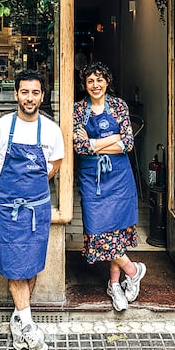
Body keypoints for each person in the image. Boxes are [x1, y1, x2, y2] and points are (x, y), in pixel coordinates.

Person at [0, 69, 64, 350]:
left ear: (42, 96)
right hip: (9, 210)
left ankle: (18, 322)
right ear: (16, 94)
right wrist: (6, 190)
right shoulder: (3, 127)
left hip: (37, 210)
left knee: (30, 267)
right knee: (16, 266)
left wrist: (33, 192)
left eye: (35, 92)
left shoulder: (51, 130)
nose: (29, 98)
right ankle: (29, 328)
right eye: (24, 92)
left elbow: (54, 165)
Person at [73, 61, 146, 312]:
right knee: (96, 231)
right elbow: (78, 147)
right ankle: (133, 270)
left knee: (116, 230)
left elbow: (127, 143)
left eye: (99, 79)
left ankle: (114, 285)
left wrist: (93, 143)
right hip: (91, 178)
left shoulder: (118, 106)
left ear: (107, 81)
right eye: (90, 80)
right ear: (85, 84)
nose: (95, 85)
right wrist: (109, 139)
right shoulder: (78, 110)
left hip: (119, 178)